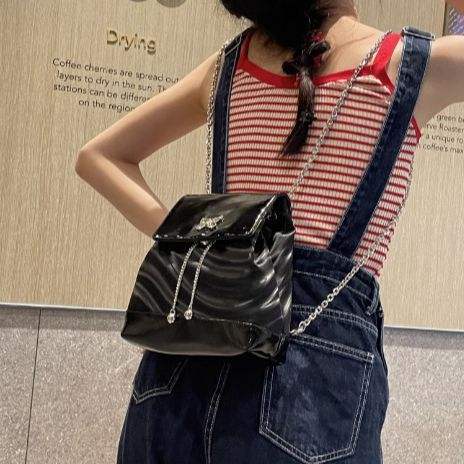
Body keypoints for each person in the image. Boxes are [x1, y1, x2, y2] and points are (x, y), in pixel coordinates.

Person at [75, 1, 464, 463]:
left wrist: (194, 240)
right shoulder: (415, 64)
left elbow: (98, 157)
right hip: (315, 361)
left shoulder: (227, 68)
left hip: (182, 365)